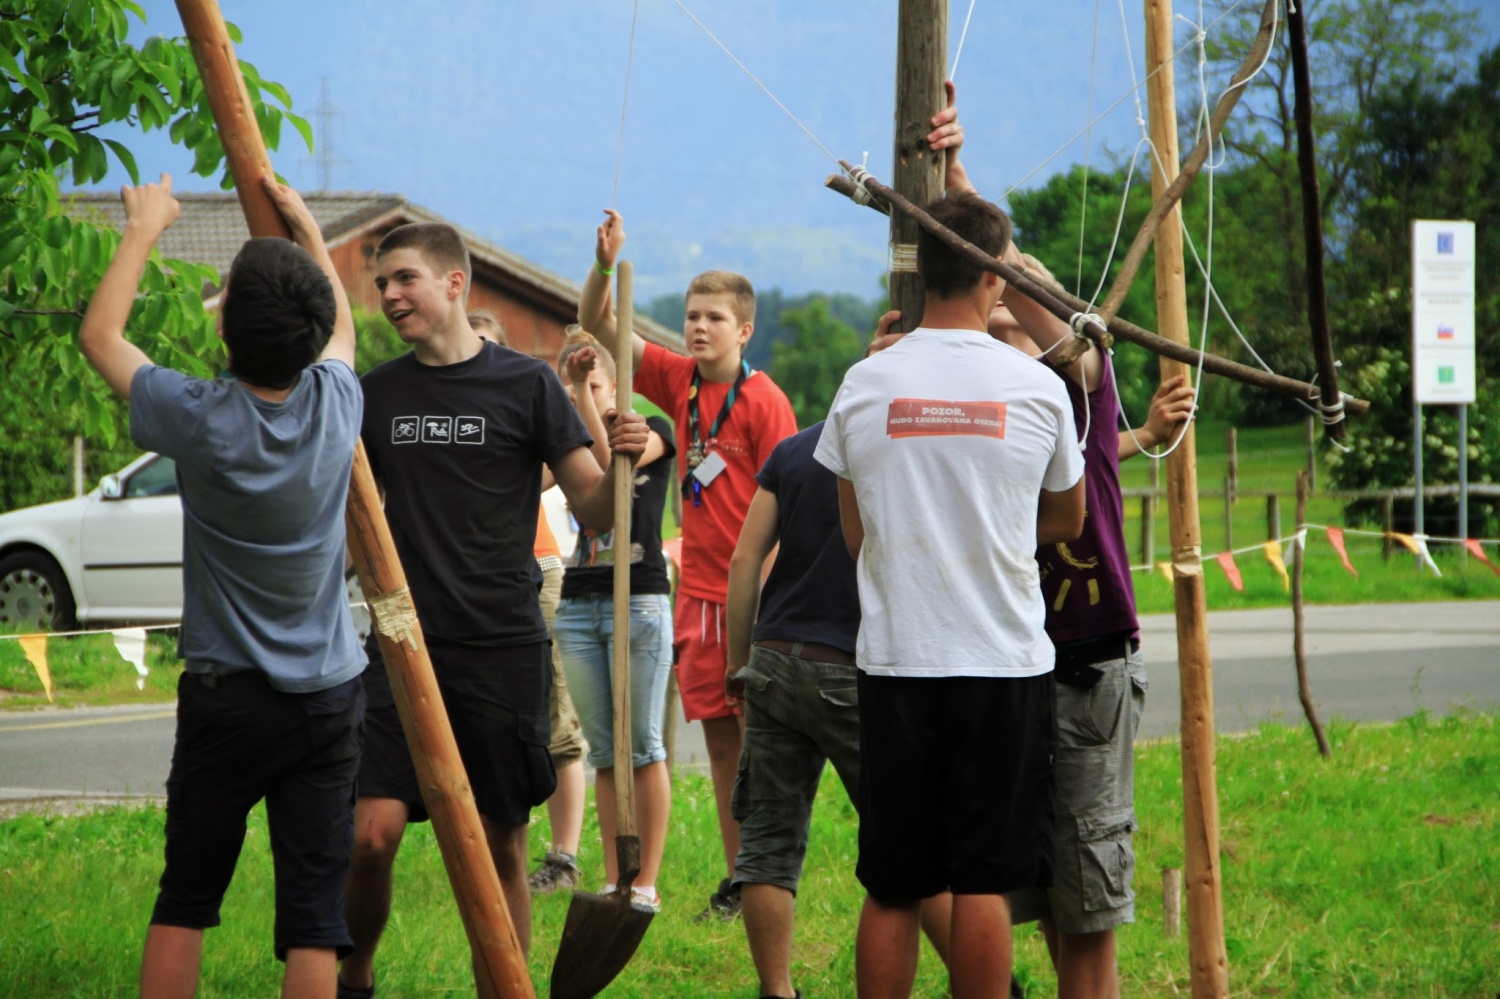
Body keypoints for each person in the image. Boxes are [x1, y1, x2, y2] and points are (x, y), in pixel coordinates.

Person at [338, 222, 647, 999]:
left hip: (501, 645)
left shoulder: (527, 384)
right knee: (368, 832)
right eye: (381, 284)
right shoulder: (375, 395)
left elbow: (596, 508)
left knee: (503, 846)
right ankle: (356, 971)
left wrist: (624, 459)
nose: (390, 295)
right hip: (401, 645)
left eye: (404, 278)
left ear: (453, 283)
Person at [80, 173, 364, 999]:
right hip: (327, 700)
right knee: (314, 915)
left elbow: (101, 337)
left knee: (188, 897)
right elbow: (341, 326)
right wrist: (308, 224)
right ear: (308, 337)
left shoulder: (197, 417)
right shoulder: (336, 403)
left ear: (226, 329)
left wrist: (145, 225)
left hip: (226, 698)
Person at [815, 191, 1086, 999]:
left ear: (921, 274)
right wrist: (995, 537)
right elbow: (1068, 516)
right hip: (1003, 660)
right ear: (996, 279)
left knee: (895, 880)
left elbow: (856, 532)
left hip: (898, 658)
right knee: (983, 879)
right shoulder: (1037, 388)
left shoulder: (865, 385)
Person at [941, 134, 1195, 999]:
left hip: (1085, 664)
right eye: (996, 323)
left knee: (1086, 898)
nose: (1008, 337)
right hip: (1008, 670)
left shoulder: (1080, 386)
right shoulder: (971, 405)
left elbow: (1068, 334)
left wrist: (984, 228)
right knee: (1041, 886)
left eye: (1022, 325)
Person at [580, 212, 798, 920]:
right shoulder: (678, 380)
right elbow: (595, 323)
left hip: (754, 596)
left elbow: (790, 504)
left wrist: (773, 590)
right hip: (695, 597)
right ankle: (738, 881)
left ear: (744, 331)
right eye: (691, 315)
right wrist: (604, 264)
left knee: (762, 746)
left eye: (714, 317)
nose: (699, 327)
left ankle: (767, 873)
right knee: (722, 743)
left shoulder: (765, 402)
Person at [465, 309, 590, 897]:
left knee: (551, 713)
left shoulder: (519, 404)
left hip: (534, 570)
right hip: (466, 585)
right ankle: (486, 848)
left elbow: (548, 472)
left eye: (488, 345)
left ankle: (563, 857)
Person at [550, 329, 676, 910]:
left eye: (596, 384)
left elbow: (611, 470)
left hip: (639, 600)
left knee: (643, 745)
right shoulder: (564, 440)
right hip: (579, 601)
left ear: (618, 383)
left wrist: (583, 399)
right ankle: (612, 875)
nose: (587, 396)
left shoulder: (654, 431)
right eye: (577, 386)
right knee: (604, 750)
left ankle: (645, 879)